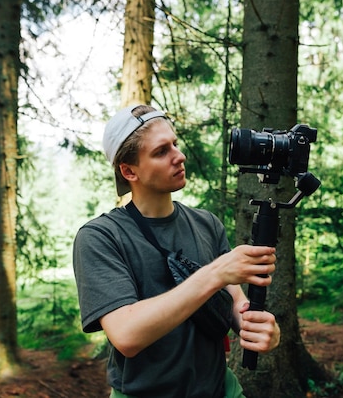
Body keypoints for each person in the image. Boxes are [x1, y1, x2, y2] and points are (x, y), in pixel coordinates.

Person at [73, 104, 280, 398]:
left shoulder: (206, 223)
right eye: (161, 152)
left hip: (222, 390)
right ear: (129, 171)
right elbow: (127, 335)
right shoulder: (100, 237)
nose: (179, 156)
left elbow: (235, 303)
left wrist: (260, 328)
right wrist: (215, 273)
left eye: (175, 144)